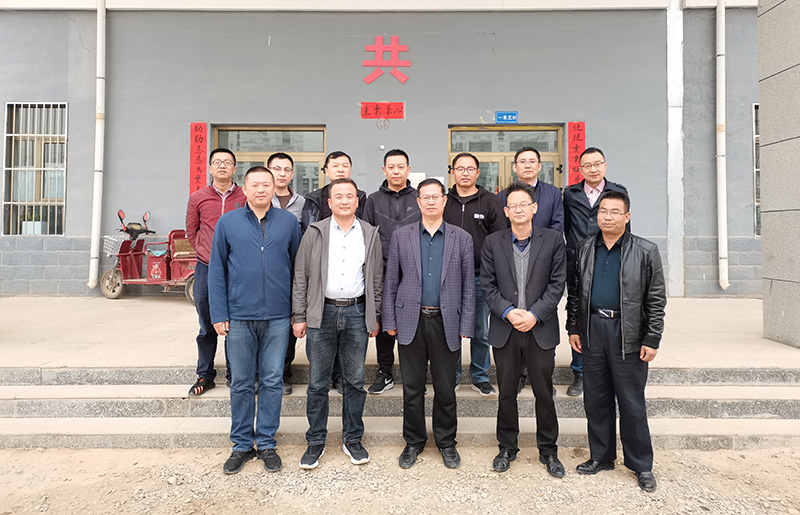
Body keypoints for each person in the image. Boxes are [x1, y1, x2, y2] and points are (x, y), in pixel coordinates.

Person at [566, 190, 666, 493]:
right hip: (593, 330)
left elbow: (656, 299)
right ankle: (602, 456)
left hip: (629, 333)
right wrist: (573, 328)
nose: (607, 217)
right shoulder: (585, 248)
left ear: (627, 216)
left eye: (614, 212)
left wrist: (652, 337)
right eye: (603, 211)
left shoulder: (645, 251)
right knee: (596, 400)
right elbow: (575, 294)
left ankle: (641, 464)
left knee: (631, 402)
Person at [209, 166, 302, 475]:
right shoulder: (228, 222)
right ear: (245, 189)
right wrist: (219, 313)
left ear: (274, 188)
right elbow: (216, 270)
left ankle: (266, 442)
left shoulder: (288, 223)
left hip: (278, 316)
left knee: (273, 380)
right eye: (255, 185)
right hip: (239, 316)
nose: (261, 189)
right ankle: (240, 444)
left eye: (266, 184)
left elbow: (298, 270)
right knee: (241, 381)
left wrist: (297, 311)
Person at [382, 179, 475, 470]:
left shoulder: (462, 238)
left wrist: (467, 324)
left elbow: (469, 286)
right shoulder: (402, 236)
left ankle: (446, 442)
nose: (431, 201)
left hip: (447, 322)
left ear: (445, 200)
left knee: (446, 388)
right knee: (412, 388)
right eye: (426, 197)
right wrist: (389, 318)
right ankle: (413, 441)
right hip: (410, 320)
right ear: (418, 202)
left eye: (436, 196)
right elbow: (391, 281)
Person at [292, 178, 383, 469]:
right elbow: (301, 276)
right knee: (317, 382)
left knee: (354, 381)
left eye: (350, 196)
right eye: (338, 196)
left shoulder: (369, 233)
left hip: (357, 313)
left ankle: (352, 438)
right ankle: (315, 441)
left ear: (357, 201)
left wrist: (374, 315)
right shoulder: (315, 232)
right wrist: (300, 315)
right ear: (329, 203)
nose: (344, 201)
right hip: (322, 313)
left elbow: (376, 279)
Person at [480, 182, 567, 476]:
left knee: (544, 392)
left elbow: (557, 284)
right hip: (506, 330)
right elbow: (488, 285)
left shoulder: (553, 240)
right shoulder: (493, 242)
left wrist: (535, 314)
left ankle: (549, 450)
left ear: (534, 208)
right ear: (506, 211)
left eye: (523, 204)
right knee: (506, 392)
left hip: (539, 329)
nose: (518, 209)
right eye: (512, 205)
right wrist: (507, 311)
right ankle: (507, 447)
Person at [562, 147, 628, 397]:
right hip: (578, 263)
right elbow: (566, 228)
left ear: (605, 166)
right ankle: (580, 371)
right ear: (580, 169)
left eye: (597, 164)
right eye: (587, 165)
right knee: (578, 312)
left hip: (609, 259)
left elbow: (626, 228)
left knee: (607, 310)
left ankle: (609, 365)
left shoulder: (618, 192)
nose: (593, 169)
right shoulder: (570, 194)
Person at [300, 150, 367, 393]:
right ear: (326, 170)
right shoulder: (312, 200)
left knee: (350, 351)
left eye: (344, 165)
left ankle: (341, 377)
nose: (340, 169)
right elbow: (306, 232)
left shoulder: (362, 199)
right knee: (320, 353)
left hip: (352, 290)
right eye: (335, 165)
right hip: (321, 282)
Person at [442, 152, 505, 396]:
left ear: (478, 173)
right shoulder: (445, 201)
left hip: (480, 277)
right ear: (452, 172)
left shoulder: (490, 201)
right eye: (460, 168)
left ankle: (480, 376)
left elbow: (499, 239)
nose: (465, 173)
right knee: (450, 329)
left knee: (481, 330)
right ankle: (453, 375)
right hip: (448, 278)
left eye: (470, 169)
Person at [185, 148, 246, 396]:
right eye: (217, 162)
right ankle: (205, 375)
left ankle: (234, 375)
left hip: (237, 268)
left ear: (234, 169)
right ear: (210, 168)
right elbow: (192, 231)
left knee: (235, 323)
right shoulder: (198, 197)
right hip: (207, 267)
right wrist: (205, 250)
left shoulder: (244, 196)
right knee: (207, 322)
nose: (222, 166)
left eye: (227, 162)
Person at [361, 149, 421, 395]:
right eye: (391, 167)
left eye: (401, 166)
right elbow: (366, 235)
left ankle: (414, 374)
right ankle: (385, 372)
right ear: (384, 170)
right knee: (385, 323)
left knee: (414, 323)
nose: (396, 171)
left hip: (415, 271)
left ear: (408, 169)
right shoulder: (373, 200)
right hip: (383, 270)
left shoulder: (419, 198)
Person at [268, 152, 305, 396]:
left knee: (289, 321)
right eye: (276, 168)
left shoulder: (303, 203)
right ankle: (261, 372)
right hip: (264, 272)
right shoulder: (258, 197)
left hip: (292, 271)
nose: (281, 174)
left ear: (292, 174)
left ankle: (283, 372)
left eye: (286, 170)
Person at [498, 146, 564, 232]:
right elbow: (501, 228)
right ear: (514, 167)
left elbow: (558, 225)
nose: (528, 166)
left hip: (547, 240)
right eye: (522, 162)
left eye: (532, 161)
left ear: (539, 166)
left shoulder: (553, 193)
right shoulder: (503, 196)